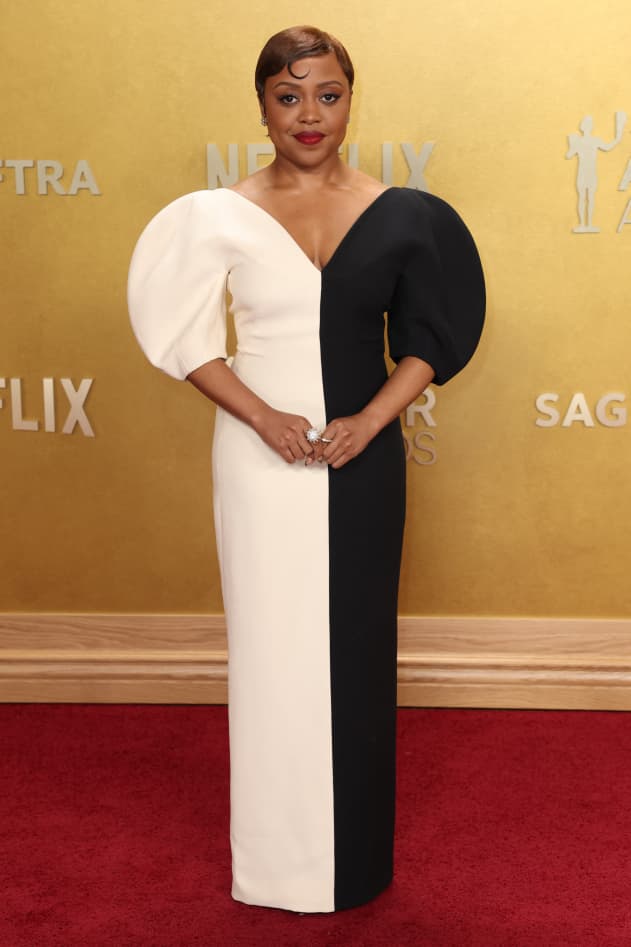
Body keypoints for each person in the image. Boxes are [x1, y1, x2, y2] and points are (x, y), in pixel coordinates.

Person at [127, 25, 485, 914]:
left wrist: (368, 420)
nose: (309, 115)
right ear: (261, 105)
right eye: (289, 97)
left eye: (326, 94)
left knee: (357, 648)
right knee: (269, 647)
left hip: (363, 456)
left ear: (349, 99)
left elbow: (430, 339)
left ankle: (352, 862)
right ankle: (276, 865)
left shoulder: (403, 213)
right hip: (257, 458)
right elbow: (181, 336)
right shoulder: (216, 213)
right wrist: (262, 416)